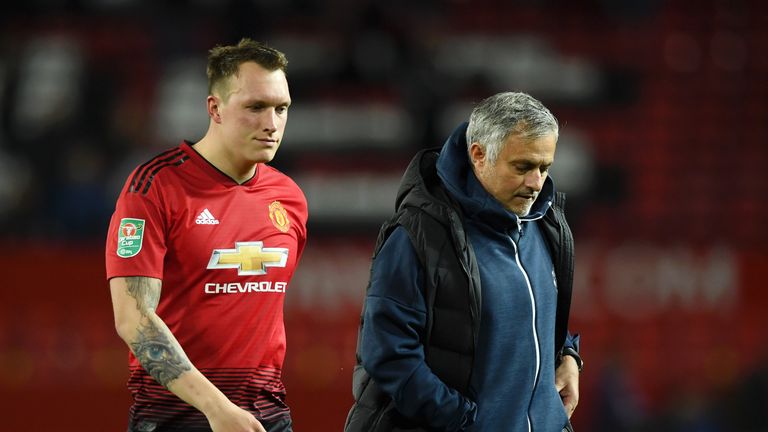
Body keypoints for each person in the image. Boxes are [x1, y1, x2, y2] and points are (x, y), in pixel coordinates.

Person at [345, 92, 583, 432]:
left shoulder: (548, 225)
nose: (535, 183)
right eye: (523, 167)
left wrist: (570, 356)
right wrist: (464, 421)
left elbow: (535, 320)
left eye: (544, 168)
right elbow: (389, 356)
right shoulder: (418, 235)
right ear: (478, 155)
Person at [105, 38, 307, 432]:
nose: (272, 123)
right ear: (214, 108)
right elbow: (132, 318)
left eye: (281, 108)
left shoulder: (290, 199)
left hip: (266, 419)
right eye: (255, 107)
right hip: (174, 419)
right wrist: (217, 408)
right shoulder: (154, 188)